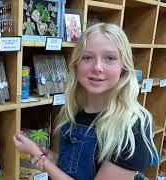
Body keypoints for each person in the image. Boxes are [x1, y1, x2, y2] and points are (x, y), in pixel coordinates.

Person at [13, 23, 159, 180]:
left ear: (123, 67)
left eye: (110, 58)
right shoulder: (74, 110)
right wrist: (49, 157)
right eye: (87, 57)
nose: (97, 67)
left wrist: (41, 159)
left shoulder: (132, 125)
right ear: (76, 64)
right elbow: (77, 168)